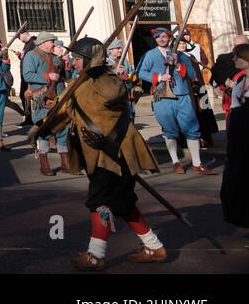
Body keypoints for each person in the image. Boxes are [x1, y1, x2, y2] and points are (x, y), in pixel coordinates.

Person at [33, 36, 168, 270]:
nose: (72, 62)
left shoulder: (107, 79)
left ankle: (95, 255)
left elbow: (114, 95)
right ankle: (154, 247)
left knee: (100, 202)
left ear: (88, 60)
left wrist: (96, 70)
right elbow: (63, 111)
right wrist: (41, 130)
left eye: (76, 59)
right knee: (124, 204)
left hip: (114, 153)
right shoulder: (79, 82)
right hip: (96, 154)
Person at [136, 27, 216, 175]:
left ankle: (197, 163)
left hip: (183, 94)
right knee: (169, 129)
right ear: (155, 39)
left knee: (192, 129)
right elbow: (141, 72)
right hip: (162, 95)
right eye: (159, 37)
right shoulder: (150, 55)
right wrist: (159, 77)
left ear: (170, 38)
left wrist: (179, 66)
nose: (161, 39)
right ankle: (175, 162)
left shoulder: (181, 55)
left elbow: (193, 74)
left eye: (164, 36)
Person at [221, 43, 249, 247]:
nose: (233, 60)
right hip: (240, 141)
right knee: (243, 185)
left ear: (248, 58)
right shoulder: (240, 81)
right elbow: (235, 110)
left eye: (236, 57)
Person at [22, 32, 73, 175]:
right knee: (43, 129)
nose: (54, 44)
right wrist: (47, 76)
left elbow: (65, 77)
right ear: (43, 43)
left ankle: (65, 163)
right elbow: (27, 75)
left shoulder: (56, 58)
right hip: (41, 97)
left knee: (63, 127)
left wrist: (67, 66)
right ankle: (44, 164)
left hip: (59, 96)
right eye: (52, 42)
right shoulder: (31, 56)